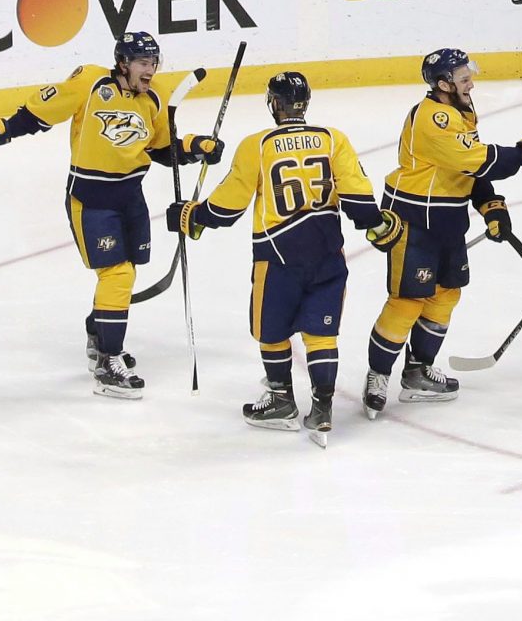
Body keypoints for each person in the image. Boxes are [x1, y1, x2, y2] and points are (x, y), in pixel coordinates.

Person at [0, 32, 220, 398]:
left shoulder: (155, 95)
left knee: (125, 274)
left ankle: (99, 336)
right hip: (91, 199)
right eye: (143, 63)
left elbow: (161, 148)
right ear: (123, 63)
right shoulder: (91, 83)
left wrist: (195, 147)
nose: (150, 70)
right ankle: (108, 362)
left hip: (131, 198)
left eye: (153, 63)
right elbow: (38, 114)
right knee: (117, 274)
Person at [166, 71, 389, 444]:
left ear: (274, 104)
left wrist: (192, 216)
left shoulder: (257, 145)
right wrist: (377, 227)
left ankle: (282, 401)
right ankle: (322, 408)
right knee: (321, 334)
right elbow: (359, 199)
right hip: (326, 252)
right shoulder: (333, 138)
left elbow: (227, 208)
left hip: (277, 255)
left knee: (271, 331)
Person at [361, 47, 522, 418]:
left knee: (445, 295)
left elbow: (469, 172)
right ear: (443, 84)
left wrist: (491, 205)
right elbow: (476, 160)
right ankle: (378, 374)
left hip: (448, 220)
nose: (471, 83)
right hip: (414, 220)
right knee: (408, 301)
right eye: (463, 79)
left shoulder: (462, 110)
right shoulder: (433, 117)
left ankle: (418, 371)